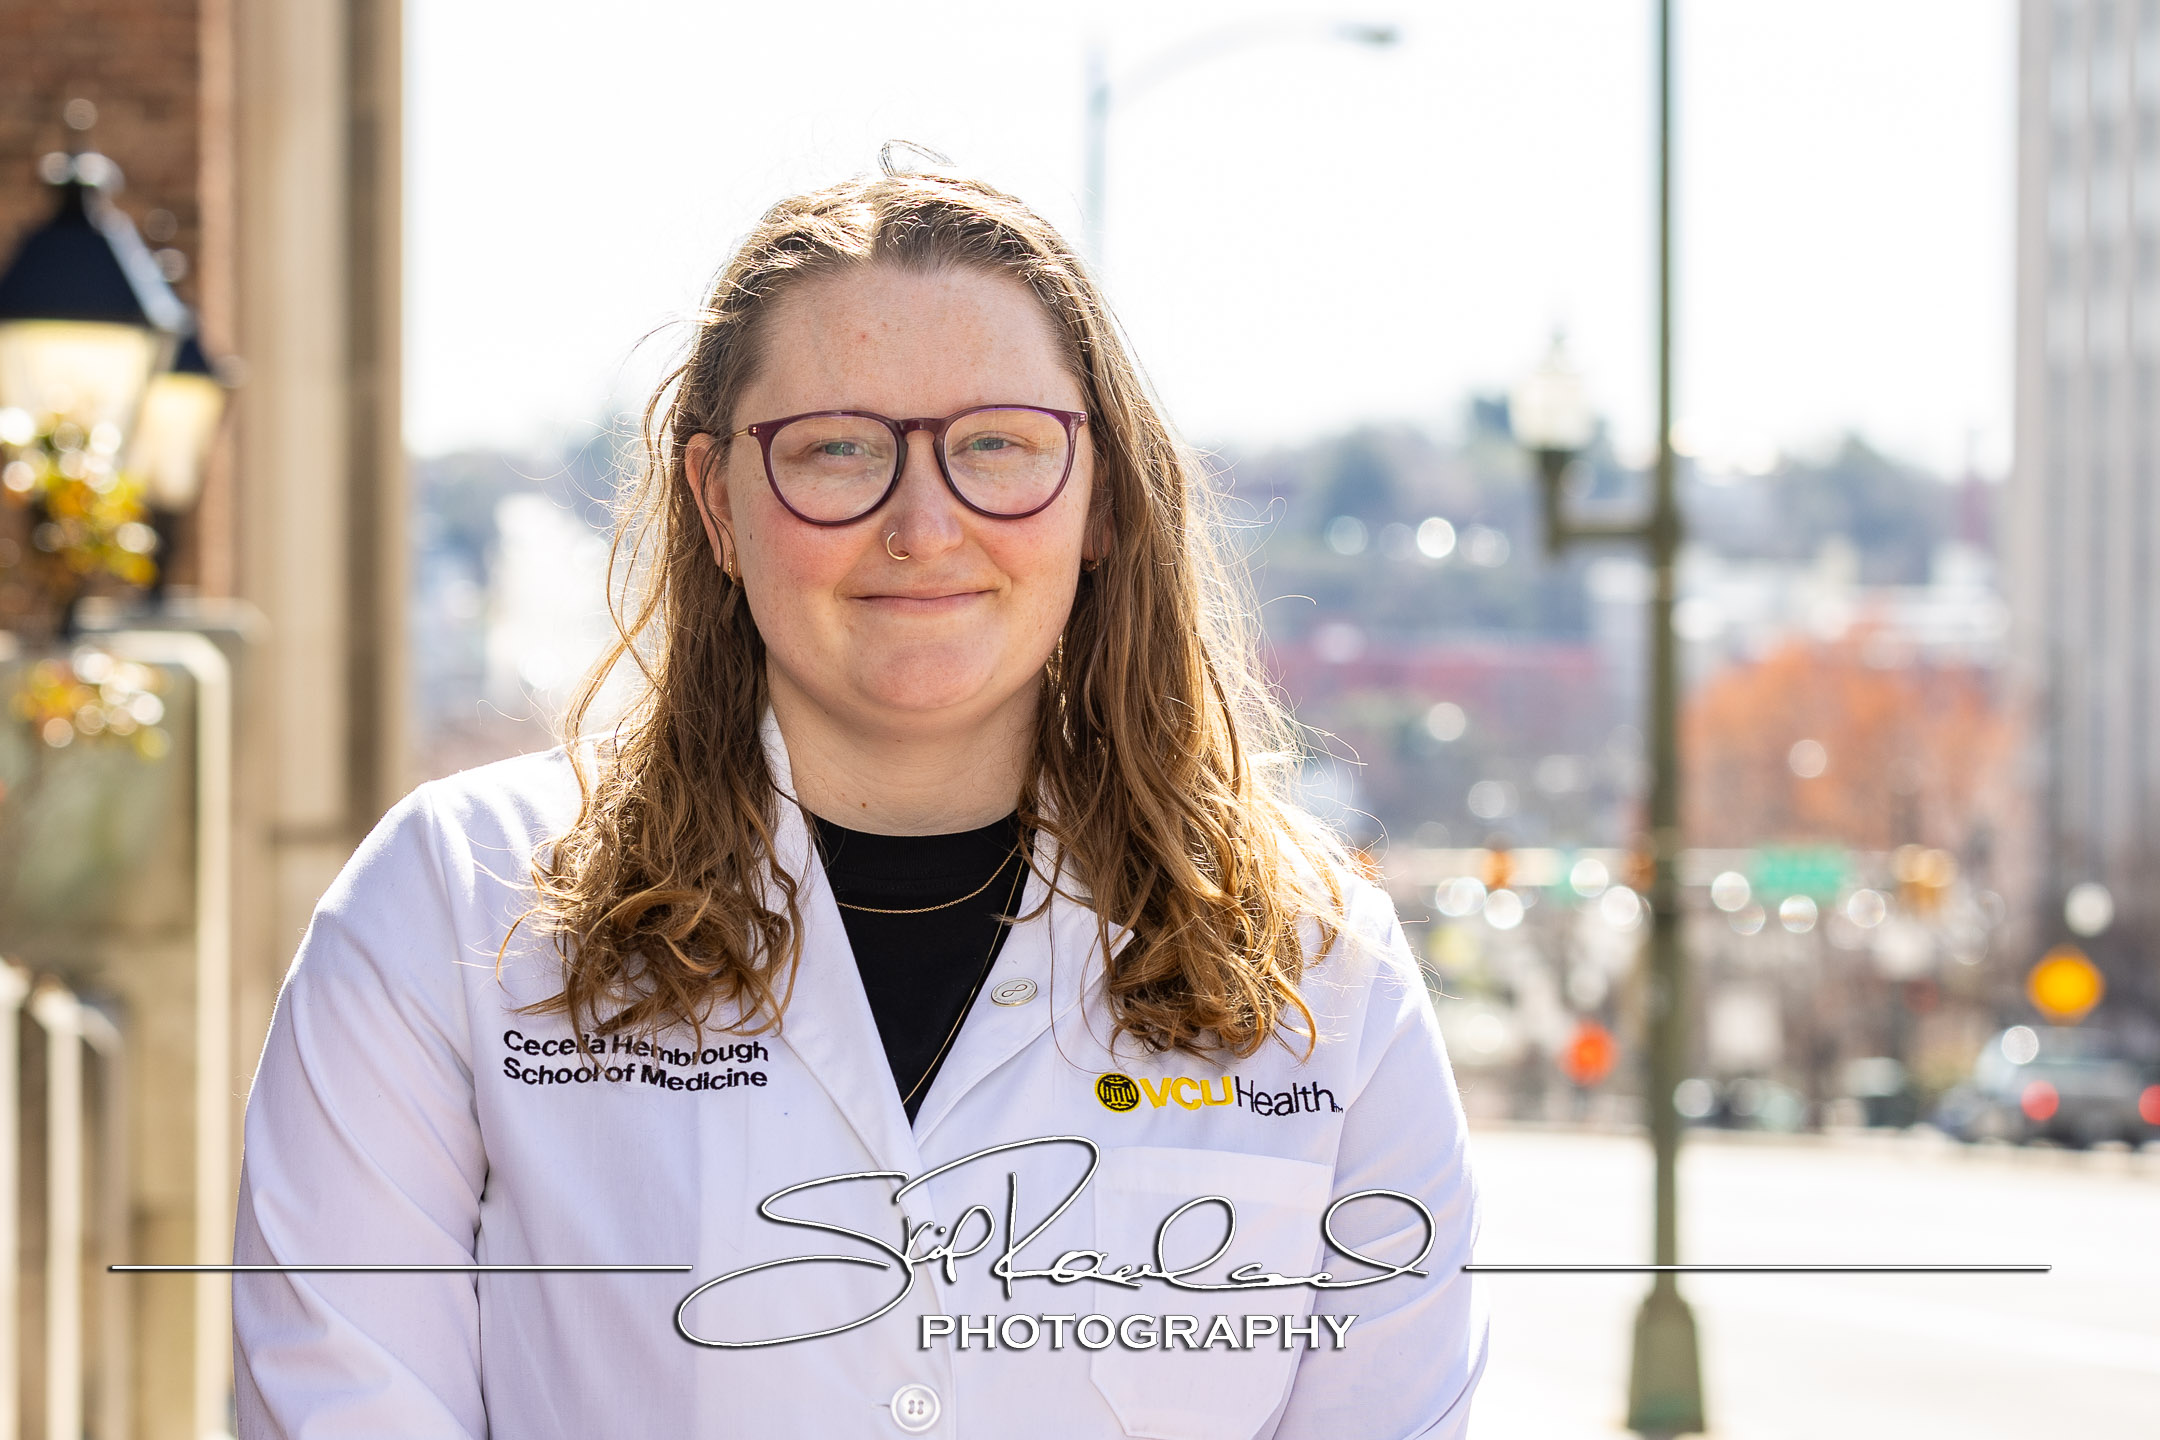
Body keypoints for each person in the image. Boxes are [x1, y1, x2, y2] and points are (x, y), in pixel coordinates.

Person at [233, 164, 1485, 1439]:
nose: (924, 524)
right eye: (837, 449)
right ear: (718, 504)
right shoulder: (453, 907)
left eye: (997, 444)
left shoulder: (1324, 964)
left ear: (1101, 498)